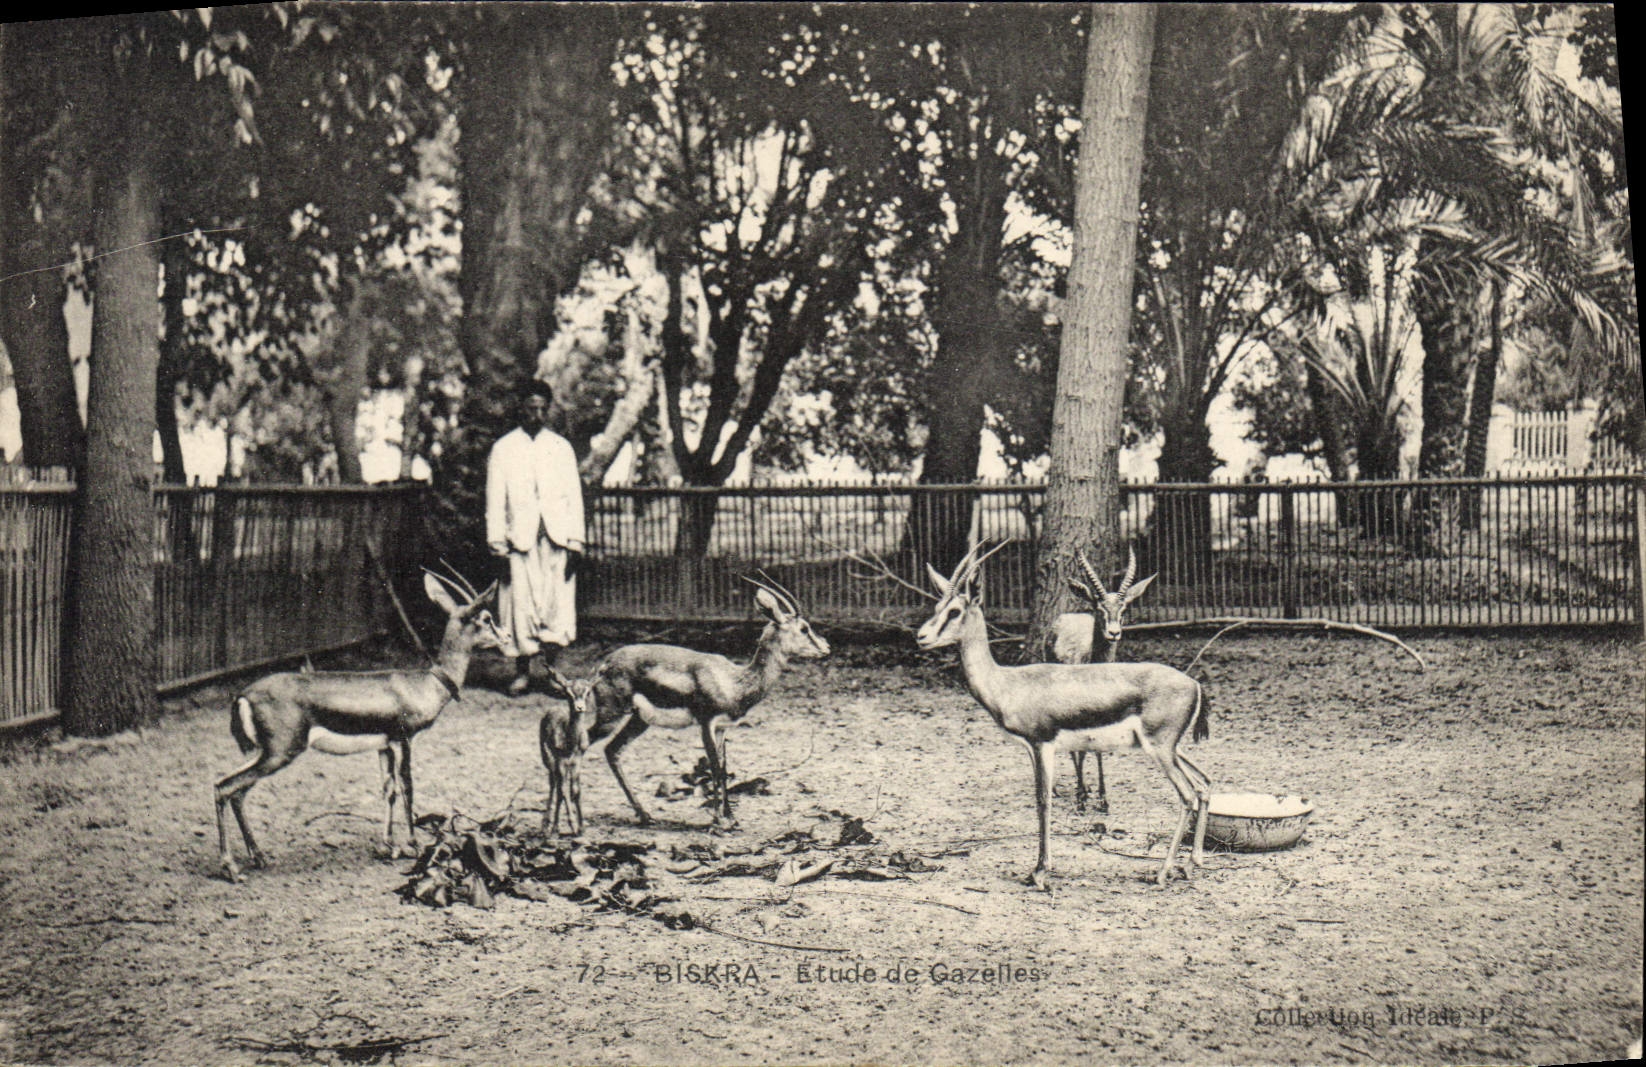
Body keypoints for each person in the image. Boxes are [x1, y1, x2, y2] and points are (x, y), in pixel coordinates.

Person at [485, 379, 585, 695]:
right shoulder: (504, 449)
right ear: (521, 409)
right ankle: (523, 673)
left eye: (543, 409)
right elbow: (495, 500)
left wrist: (576, 542)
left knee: (556, 605)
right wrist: (497, 544)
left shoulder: (560, 447)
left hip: (557, 539)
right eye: (531, 408)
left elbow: (573, 496)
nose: (537, 415)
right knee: (520, 605)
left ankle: (552, 672)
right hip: (520, 541)